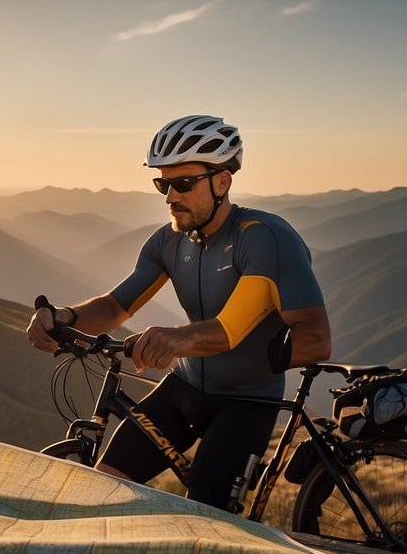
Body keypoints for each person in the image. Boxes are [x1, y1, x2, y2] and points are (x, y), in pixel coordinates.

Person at [26, 114, 332, 510]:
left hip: (247, 402)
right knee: (102, 488)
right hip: (184, 389)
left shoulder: (264, 239)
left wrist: (176, 338)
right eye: (163, 184)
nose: (170, 196)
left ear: (222, 182)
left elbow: (241, 331)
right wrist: (65, 317)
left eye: (183, 184)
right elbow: (116, 305)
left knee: (202, 516)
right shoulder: (168, 242)